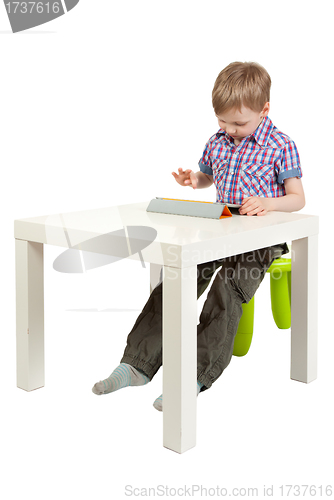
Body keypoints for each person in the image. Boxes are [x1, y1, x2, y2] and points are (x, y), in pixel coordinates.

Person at [92, 61, 305, 411]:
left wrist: (268, 202)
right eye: (222, 121)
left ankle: (193, 374)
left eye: (239, 123)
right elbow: (208, 176)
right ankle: (137, 365)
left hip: (263, 239)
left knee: (227, 288)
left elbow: (298, 199)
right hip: (221, 227)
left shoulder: (281, 144)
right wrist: (194, 180)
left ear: (265, 109)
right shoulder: (217, 141)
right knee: (177, 281)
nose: (230, 129)